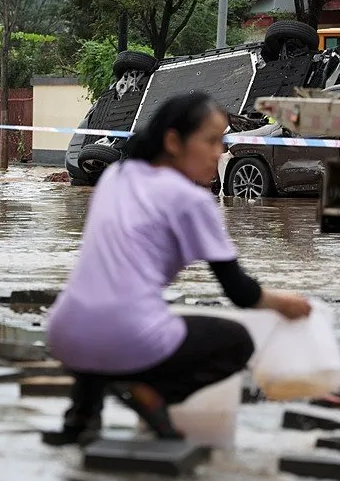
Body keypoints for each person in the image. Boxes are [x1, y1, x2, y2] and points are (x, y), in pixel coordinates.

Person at [44, 93, 312, 446]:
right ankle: (151, 392)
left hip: (63, 332)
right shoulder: (191, 200)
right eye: (211, 141)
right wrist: (286, 304)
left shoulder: (116, 176)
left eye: (223, 141)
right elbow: (240, 292)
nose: (219, 152)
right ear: (173, 141)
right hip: (124, 338)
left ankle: (80, 416)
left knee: (110, 318)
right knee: (236, 341)